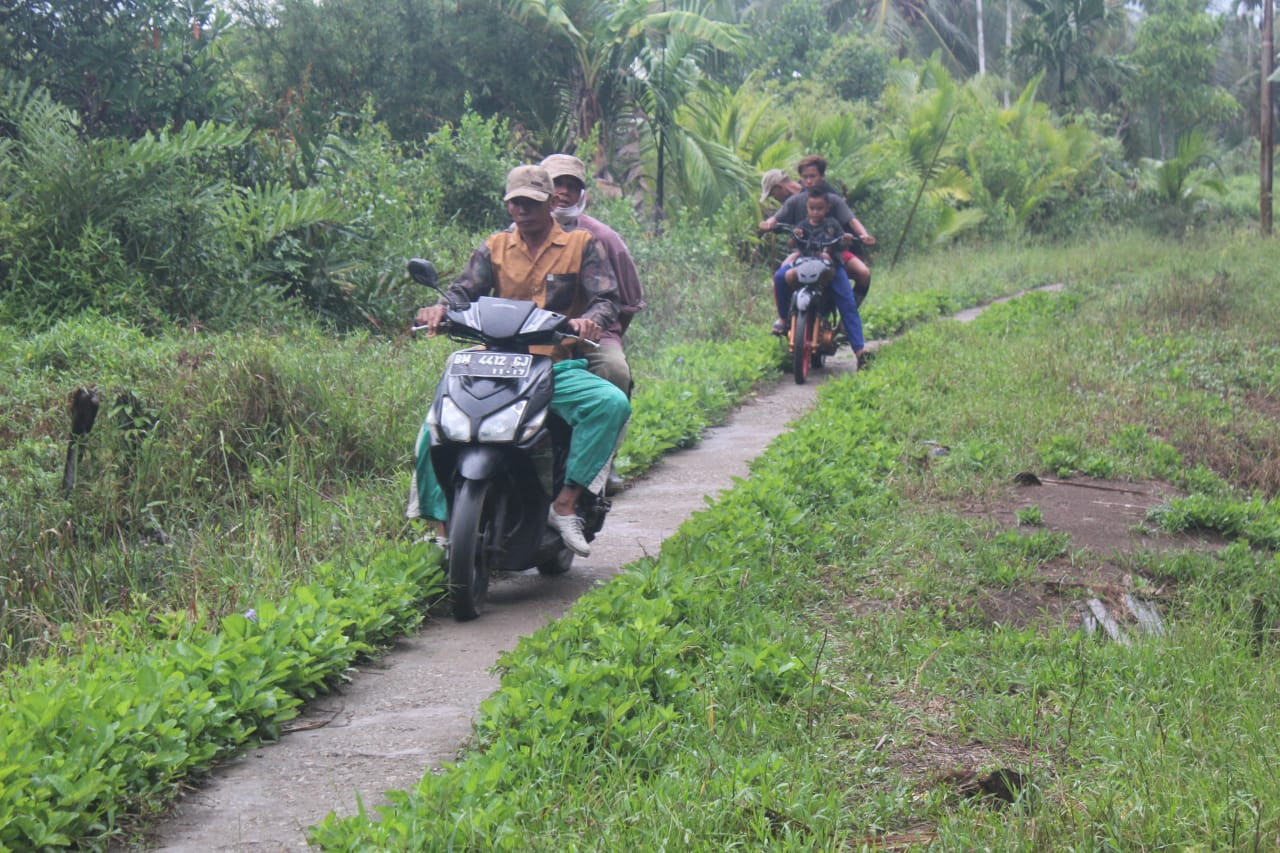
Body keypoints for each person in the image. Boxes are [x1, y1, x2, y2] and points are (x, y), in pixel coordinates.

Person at [410, 165, 631, 557]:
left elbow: (606, 298)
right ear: (508, 205)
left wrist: (589, 320)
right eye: (516, 203)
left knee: (611, 403)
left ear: (549, 203)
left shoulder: (581, 244)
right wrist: (441, 308)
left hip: (553, 364)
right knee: (435, 427)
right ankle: (441, 529)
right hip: (493, 362)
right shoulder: (494, 246)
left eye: (531, 202)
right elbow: (463, 291)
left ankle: (565, 505)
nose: (523, 210)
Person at [540, 153, 643, 494]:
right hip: (532, 333)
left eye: (572, 186)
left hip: (593, 333)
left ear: (582, 193)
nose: (563, 192)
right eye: (556, 184)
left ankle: (603, 461)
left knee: (615, 371)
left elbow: (626, 303)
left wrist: (602, 332)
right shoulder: (513, 236)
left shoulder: (603, 238)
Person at [759, 155, 876, 311]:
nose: (809, 181)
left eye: (774, 195)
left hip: (836, 249)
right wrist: (767, 225)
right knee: (782, 274)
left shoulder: (826, 195)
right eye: (805, 177)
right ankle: (788, 316)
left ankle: (849, 311)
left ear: (779, 187)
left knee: (861, 274)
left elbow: (850, 220)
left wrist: (862, 236)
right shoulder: (793, 202)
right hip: (805, 250)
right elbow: (776, 219)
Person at [771, 187, 865, 357]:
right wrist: (795, 235)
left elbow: (842, 244)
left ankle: (859, 351)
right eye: (812, 208)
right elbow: (792, 244)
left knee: (848, 302)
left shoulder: (833, 225)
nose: (815, 212)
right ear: (806, 208)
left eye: (819, 208)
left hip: (831, 266)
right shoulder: (802, 225)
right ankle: (785, 318)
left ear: (827, 208)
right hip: (804, 264)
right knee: (782, 277)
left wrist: (846, 240)